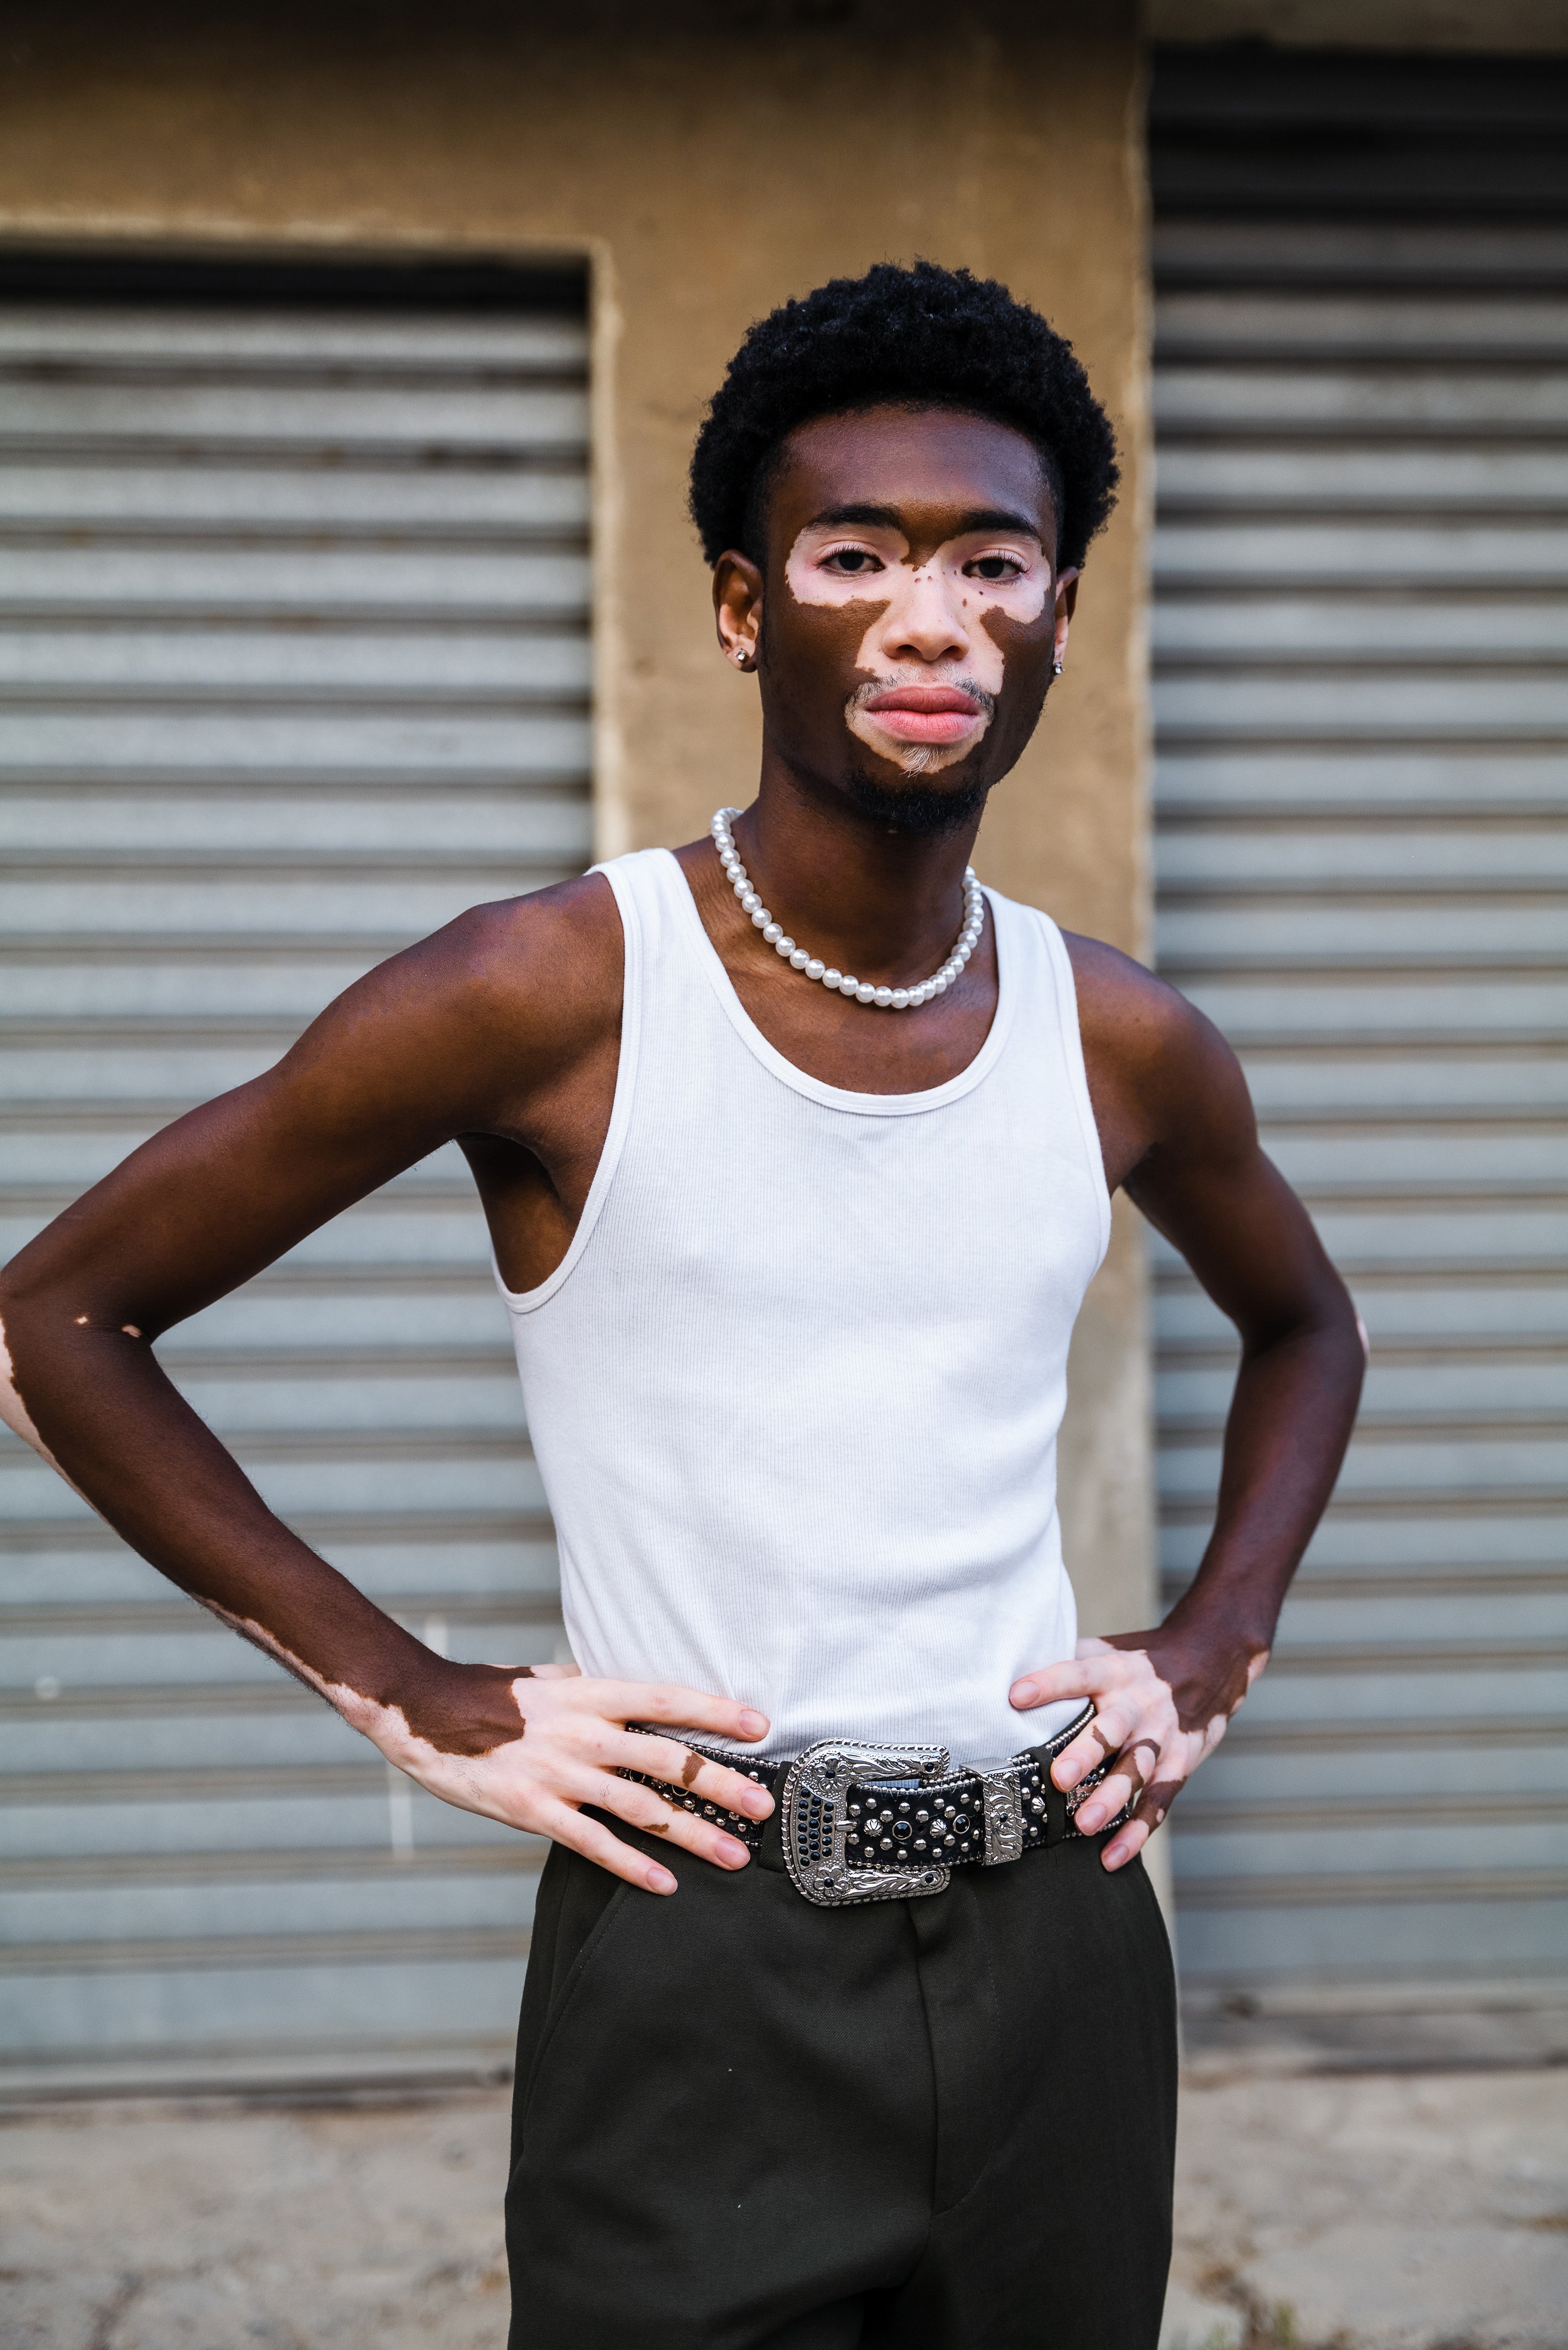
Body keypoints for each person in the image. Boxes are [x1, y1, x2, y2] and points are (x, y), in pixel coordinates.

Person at [0, 262, 1364, 2347]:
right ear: (746, 606)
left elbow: (1308, 1326)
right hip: (698, 1944)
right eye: (855, 555)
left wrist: (1205, 1645)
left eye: (995, 560)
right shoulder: (545, 989)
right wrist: (411, 1690)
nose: (930, 616)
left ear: (1057, 623)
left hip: (1061, 1946)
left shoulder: (1119, 1039)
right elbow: (62, 1318)